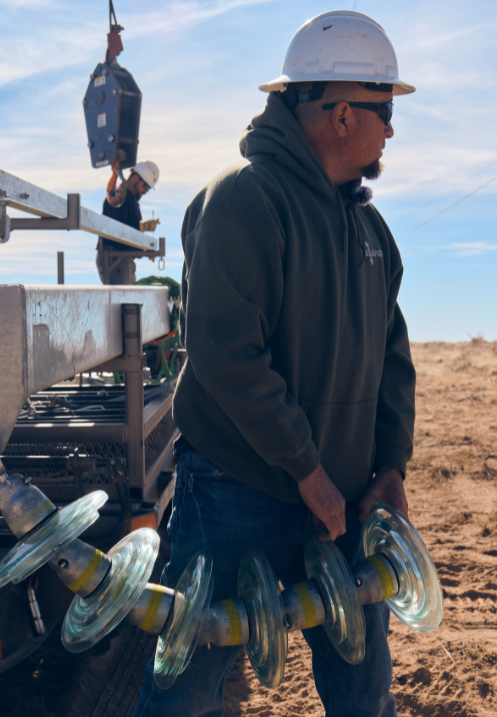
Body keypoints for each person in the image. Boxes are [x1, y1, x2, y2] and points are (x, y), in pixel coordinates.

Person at [133, 10, 415, 717]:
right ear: (342, 113)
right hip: (237, 493)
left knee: (362, 692)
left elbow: (391, 355)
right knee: (187, 691)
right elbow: (230, 358)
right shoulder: (243, 199)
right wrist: (306, 471)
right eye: (385, 110)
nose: (393, 129)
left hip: (346, 501)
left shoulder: (370, 228)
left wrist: (390, 467)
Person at [98, 159, 159, 284]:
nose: (146, 191)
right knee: (125, 301)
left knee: (130, 301)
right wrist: (143, 246)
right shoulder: (118, 197)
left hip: (121, 259)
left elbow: (128, 232)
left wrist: (144, 248)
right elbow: (119, 234)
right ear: (136, 178)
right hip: (114, 259)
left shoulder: (130, 200)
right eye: (146, 186)